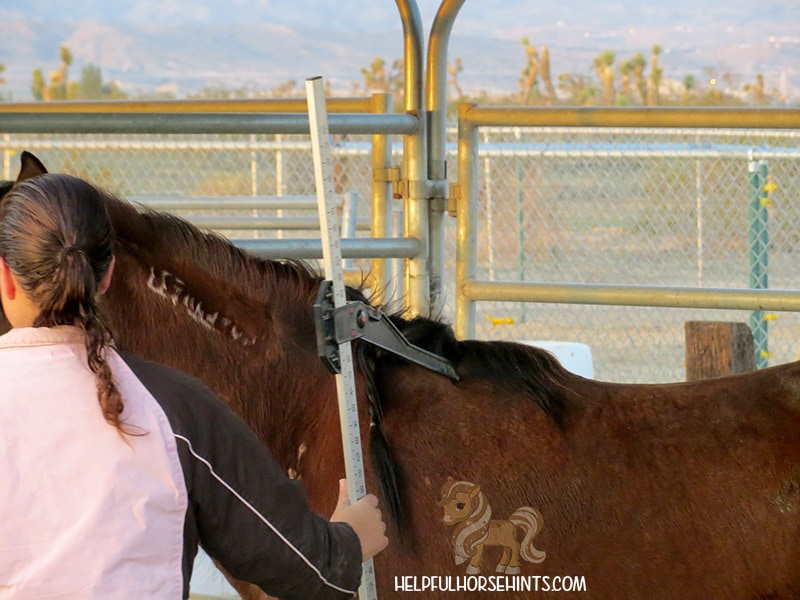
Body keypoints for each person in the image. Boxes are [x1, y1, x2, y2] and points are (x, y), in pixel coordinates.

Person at [0, 173, 388, 599]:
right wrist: (350, 541)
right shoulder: (178, 409)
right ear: (108, 275)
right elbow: (305, 568)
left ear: (5, 278)